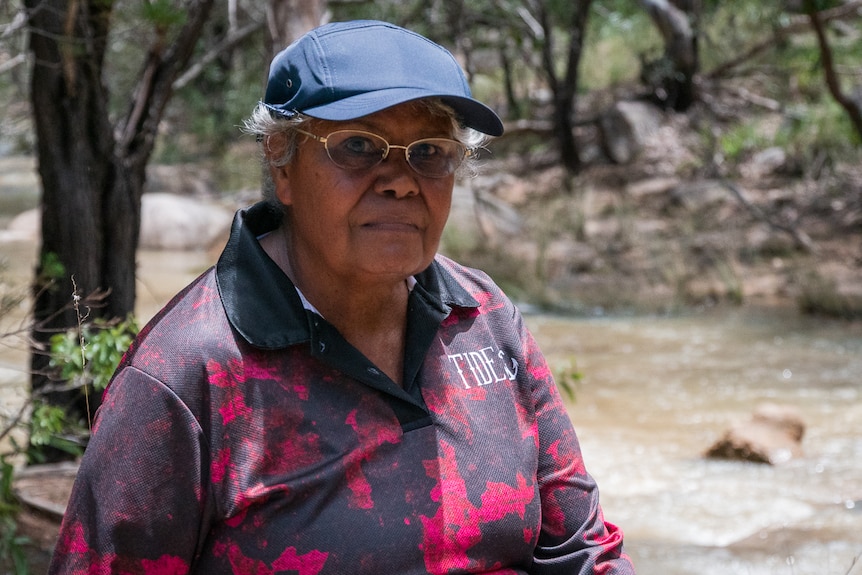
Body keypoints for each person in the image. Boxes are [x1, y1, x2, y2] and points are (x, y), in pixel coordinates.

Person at [48, 20, 636, 575]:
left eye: (430, 152)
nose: (401, 180)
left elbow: (580, 550)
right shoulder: (186, 376)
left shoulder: (483, 318)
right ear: (282, 163)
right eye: (358, 145)